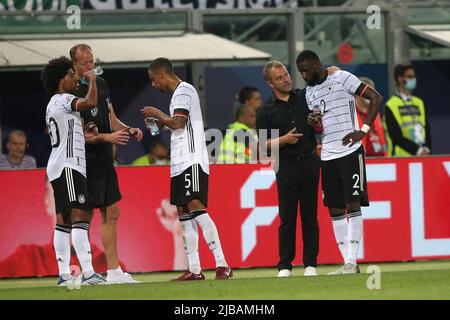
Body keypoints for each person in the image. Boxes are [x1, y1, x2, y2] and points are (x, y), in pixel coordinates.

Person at [141, 57, 232, 281]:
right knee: (183, 212)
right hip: (179, 162)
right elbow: (178, 125)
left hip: (192, 159)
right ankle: (194, 269)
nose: (154, 85)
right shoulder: (176, 96)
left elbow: (179, 123)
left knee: (195, 206)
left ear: (162, 75)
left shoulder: (184, 90)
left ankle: (222, 264)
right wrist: (159, 122)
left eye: (154, 80)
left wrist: (158, 114)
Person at [296, 50, 382, 275]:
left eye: (306, 70)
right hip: (327, 153)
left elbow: (376, 98)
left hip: (351, 151)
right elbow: (318, 128)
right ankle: (347, 263)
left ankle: (352, 261)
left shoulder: (342, 77)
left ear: (317, 64)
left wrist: (362, 131)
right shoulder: (309, 93)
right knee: (334, 208)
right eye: (300, 72)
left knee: (353, 204)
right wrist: (313, 123)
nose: (304, 75)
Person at [70, 44, 143, 283]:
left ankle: (113, 271)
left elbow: (111, 118)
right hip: (84, 161)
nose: (89, 67)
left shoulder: (101, 84)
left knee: (112, 212)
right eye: (84, 63)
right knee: (84, 216)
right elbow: (79, 133)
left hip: (104, 159)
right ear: (74, 65)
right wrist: (109, 137)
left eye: (91, 61)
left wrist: (127, 128)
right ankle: (86, 271)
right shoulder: (71, 90)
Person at [41, 56, 106, 285]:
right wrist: (93, 81)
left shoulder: (54, 103)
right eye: (70, 75)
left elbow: (64, 130)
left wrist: (83, 129)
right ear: (60, 81)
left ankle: (63, 275)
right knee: (80, 215)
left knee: (63, 221)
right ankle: (88, 273)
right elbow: (89, 103)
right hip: (69, 165)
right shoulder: (64, 99)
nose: (75, 78)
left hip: (60, 164)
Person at [256, 61, 321, 277]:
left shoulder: (305, 97)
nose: (286, 79)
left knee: (310, 217)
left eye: (285, 74)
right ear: (270, 83)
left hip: (310, 162)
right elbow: (262, 146)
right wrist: (284, 139)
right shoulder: (265, 110)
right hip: (286, 166)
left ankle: (311, 264)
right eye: (279, 77)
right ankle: (285, 265)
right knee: (287, 218)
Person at [384, 64, 432, 156]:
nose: (413, 79)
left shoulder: (419, 102)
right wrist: (417, 151)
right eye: (409, 76)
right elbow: (395, 136)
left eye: (414, 76)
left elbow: (427, 129)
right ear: (400, 79)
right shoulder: (390, 105)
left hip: (423, 156)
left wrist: (426, 148)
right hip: (400, 157)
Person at [355, 77, 387, 157]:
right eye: (368, 92)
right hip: (362, 161)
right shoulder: (351, 112)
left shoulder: (376, 112)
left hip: (381, 160)